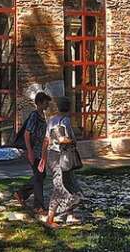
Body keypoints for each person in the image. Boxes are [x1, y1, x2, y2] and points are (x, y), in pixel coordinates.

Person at [44, 96, 84, 228]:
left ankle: (70, 215)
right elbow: (63, 139)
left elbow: (46, 140)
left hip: (52, 155)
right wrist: (72, 141)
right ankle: (50, 219)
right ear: (68, 108)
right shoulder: (65, 120)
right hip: (61, 156)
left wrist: (43, 157)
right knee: (60, 187)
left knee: (69, 183)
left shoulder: (51, 120)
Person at [13, 91, 52, 214]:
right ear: (39, 103)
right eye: (46, 102)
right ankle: (38, 206)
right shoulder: (34, 116)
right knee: (39, 177)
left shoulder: (42, 115)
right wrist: (30, 152)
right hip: (34, 151)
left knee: (40, 176)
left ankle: (21, 193)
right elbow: (27, 134)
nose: (47, 105)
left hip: (40, 151)